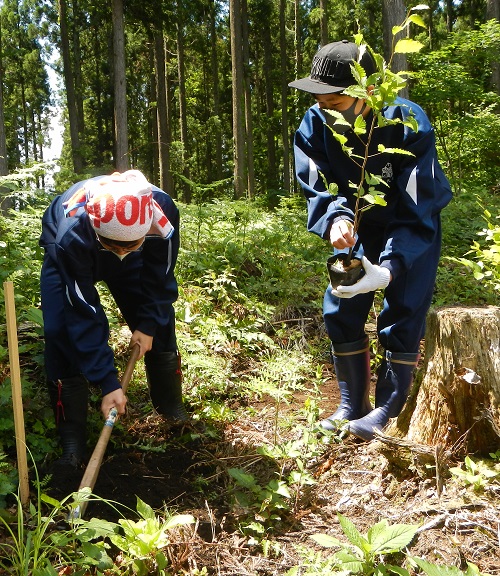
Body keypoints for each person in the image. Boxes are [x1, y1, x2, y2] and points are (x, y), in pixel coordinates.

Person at [288, 40, 452, 440]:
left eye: (334, 103)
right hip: (358, 225)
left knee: (404, 310)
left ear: (365, 94)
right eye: (319, 100)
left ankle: (389, 409)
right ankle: (352, 404)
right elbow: (317, 183)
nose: (324, 109)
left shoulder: (408, 122)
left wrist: (392, 267)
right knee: (341, 305)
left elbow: (419, 204)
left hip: (410, 225)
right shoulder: (315, 121)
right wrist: (335, 219)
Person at [40, 169, 188, 469]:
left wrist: (146, 326)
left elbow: (160, 277)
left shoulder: (163, 212)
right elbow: (82, 310)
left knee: (159, 323)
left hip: (128, 249)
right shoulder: (71, 233)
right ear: (97, 229)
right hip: (78, 253)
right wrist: (108, 382)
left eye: (129, 246)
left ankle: (171, 409)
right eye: (114, 246)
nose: (120, 253)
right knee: (60, 331)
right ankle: (72, 439)